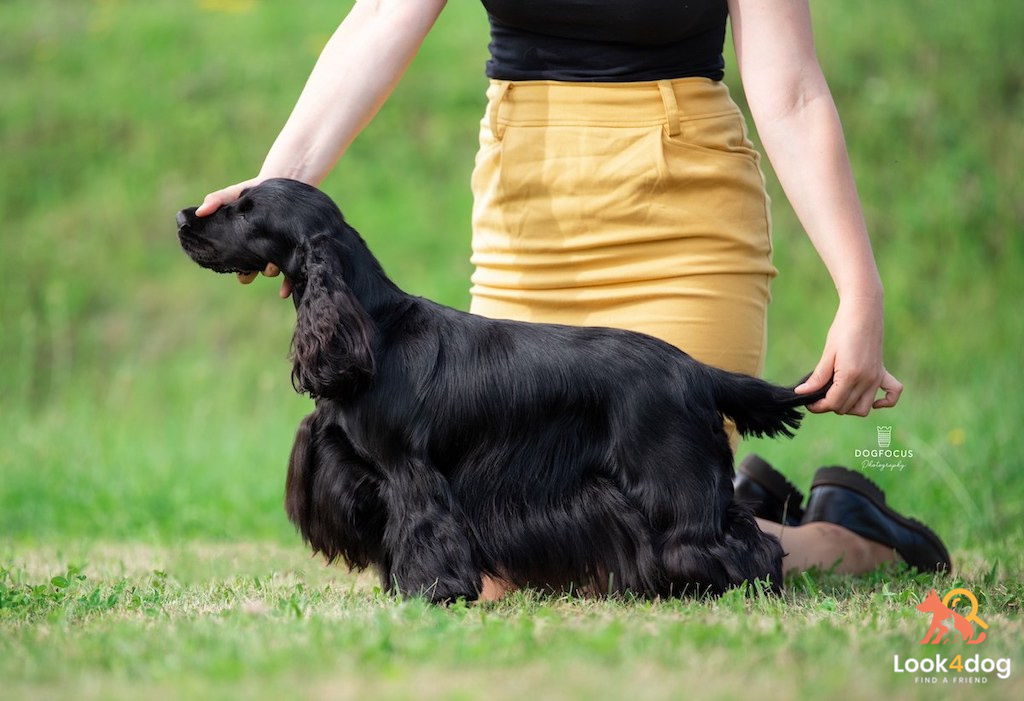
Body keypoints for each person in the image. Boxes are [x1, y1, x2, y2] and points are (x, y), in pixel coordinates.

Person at [195, 0, 950, 596]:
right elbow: (381, 18)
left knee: (647, 565)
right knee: (497, 568)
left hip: (683, 209)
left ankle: (846, 534)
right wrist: (269, 201)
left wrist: (860, 289)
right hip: (527, 211)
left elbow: (792, 90)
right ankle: (732, 494)